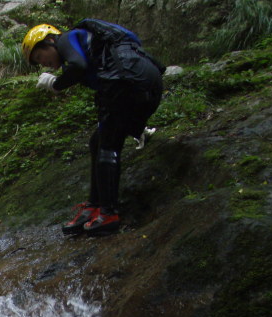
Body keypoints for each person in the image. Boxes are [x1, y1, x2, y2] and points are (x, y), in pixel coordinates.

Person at [23, 20, 165, 236]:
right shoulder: (95, 48)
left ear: (50, 41)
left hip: (129, 82)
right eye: (39, 62)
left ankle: (108, 213)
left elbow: (78, 66)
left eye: (41, 56)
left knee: (107, 145)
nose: (45, 64)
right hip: (144, 84)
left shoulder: (66, 39)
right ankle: (94, 206)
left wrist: (55, 84)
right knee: (97, 141)